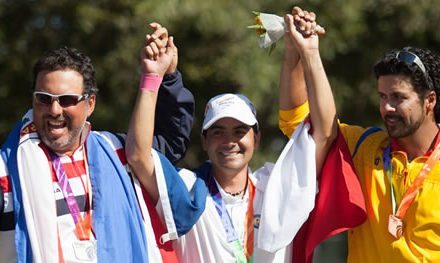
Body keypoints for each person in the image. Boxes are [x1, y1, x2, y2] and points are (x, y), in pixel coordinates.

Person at [126, 23, 321, 263]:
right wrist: (152, 77)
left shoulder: (274, 185)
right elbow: (138, 156)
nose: (230, 141)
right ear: (205, 140)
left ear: (256, 138)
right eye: (218, 132)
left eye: (239, 131)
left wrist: (303, 53)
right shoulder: (187, 189)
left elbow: (319, 135)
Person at [0, 23, 194, 262]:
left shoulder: (117, 152)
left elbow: (171, 143)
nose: (54, 110)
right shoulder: (9, 168)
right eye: (43, 99)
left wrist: (167, 78)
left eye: (67, 99)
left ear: (90, 104)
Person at [280, 6, 440, 262]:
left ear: (429, 101)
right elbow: (297, 125)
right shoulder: (365, 148)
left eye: (398, 97)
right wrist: (299, 54)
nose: (387, 107)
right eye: (382, 96)